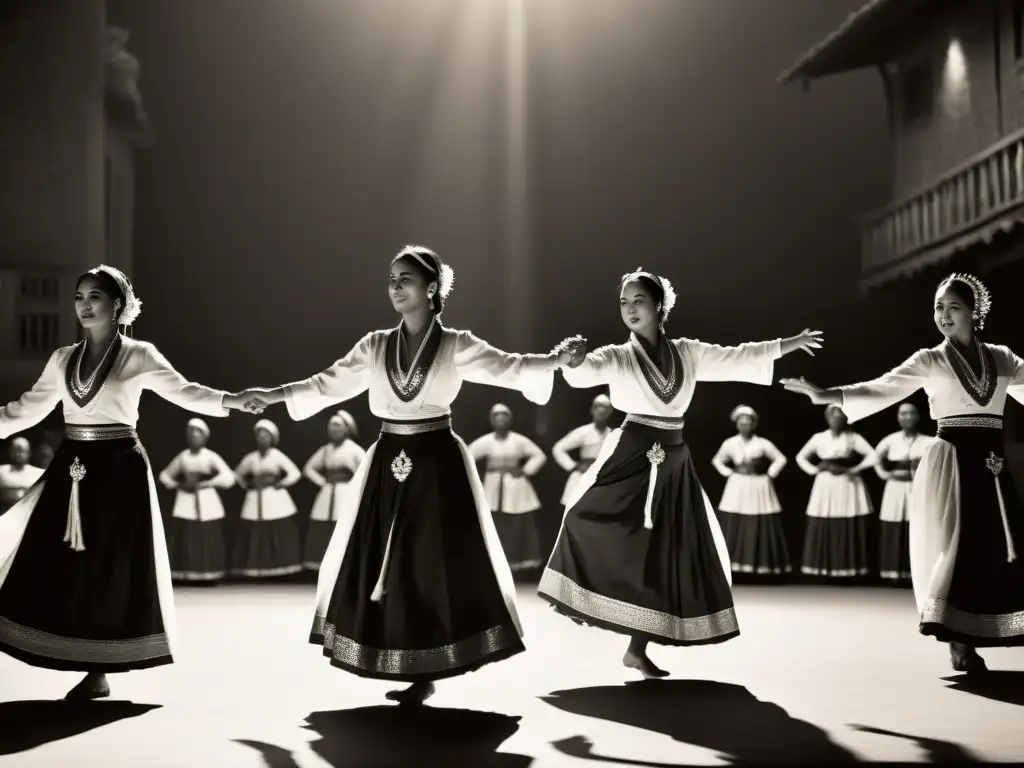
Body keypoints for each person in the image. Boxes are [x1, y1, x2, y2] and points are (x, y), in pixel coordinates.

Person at [230, 245, 585, 705]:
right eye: (391, 279)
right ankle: (399, 655)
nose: (395, 287)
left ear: (431, 288)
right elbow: (326, 383)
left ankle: (433, 661)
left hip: (437, 461)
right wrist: (274, 395)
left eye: (405, 279)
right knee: (385, 560)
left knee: (432, 560)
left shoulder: (457, 344)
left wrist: (556, 360)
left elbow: (510, 367)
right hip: (388, 457)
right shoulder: (375, 345)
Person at [538, 268, 822, 678]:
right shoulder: (619, 355)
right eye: (623, 302)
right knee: (590, 520)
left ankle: (637, 649)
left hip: (673, 458)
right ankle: (575, 589)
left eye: (638, 300)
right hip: (631, 454)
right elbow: (587, 372)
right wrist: (576, 360)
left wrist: (787, 344)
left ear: (659, 306)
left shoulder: (687, 352)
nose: (630, 309)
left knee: (668, 552)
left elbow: (737, 356)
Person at [0, 265, 249, 700]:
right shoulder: (62, 359)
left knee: (108, 567)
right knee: (51, 559)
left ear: (118, 306)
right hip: (72, 466)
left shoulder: (139, 355)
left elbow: (185, 391)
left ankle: (99, 670)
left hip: (118, 469)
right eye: (79, 296)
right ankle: (62, 647)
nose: (84, 305)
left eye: (94, 296)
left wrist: (229, 401)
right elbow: (26, 409)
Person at [782, 272, 1024, 673]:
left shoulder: (1002, 358)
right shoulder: (930, 359)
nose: (943, 316)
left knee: (997, 544)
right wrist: (827, 395)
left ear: (975, 312)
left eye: (954, 308)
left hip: (991, 463)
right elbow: (884, 387)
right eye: (938, 307)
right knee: (956, 546)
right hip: (951, 460)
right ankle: (959, 641)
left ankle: (987, 627)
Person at [794, 405, 876, 580]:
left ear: (846, 419)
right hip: (825, 482)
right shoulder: (819, 438)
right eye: (833, 416)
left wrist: (855, 468)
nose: (836, 419)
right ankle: (822, 569)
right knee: (824, 515)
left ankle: (849, 569)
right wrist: (814, 470)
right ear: (827, 418)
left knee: (848, 516)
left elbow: (873, 456)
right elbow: (801, 457)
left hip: (847, 482)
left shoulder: (854, 438)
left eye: (840, 416)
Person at [710, 405, 791, 576]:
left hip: (759, 484)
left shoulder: (763, 443)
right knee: (733, 518)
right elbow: (717, 460)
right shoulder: (730, 443)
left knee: (760, 518)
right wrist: (729, 472)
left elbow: (780, 459)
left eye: (748, 423)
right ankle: (732, 567)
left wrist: (770, 473)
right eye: (741, 423)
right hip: (737, 485)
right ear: (737, 425)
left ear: (754, 424)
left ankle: (760, 566)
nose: (744, 426)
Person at [468, 403, 548, 572]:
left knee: (517, 522)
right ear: (492, 420)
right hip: (493, 485)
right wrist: (475, 477)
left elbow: (539, 455)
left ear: (509, 419)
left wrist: (525, 470)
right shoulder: (486, 441)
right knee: (495, 521)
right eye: (497, 416)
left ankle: (519, 564)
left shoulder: (518, 440)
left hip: (516, 485)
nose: (500, 420)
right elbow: (468, 455)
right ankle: (493, 562)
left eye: (504, 416)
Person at [158, 418, 236, 583]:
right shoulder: (183, 457)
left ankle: (209, 574)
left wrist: (208, 483)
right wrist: (178, 485)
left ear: (204, 437)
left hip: (206, 499)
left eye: (198, 434)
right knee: (187, 535)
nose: (194, 437)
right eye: (191, 434)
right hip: (186, 498)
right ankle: (187, 574)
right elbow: (164, 475)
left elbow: (229, 477)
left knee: (207, 536)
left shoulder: (211, 456)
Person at [231, 419, 304, 578]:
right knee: (255, 530)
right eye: (260, 436)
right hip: (255, 497)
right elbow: (237, 474)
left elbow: (295, 473)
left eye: (266, 436)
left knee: (277, 529)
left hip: (274, 498)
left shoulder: (277, 456)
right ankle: (257, 570)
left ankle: (281, 570)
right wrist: (246, 484)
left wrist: (281, 483)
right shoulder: (251, 458)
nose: (262, 439)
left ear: (272, 439)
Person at [301, 410, 365, 570]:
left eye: (337, 425)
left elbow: (366, 472)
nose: (334, 429)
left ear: (347, 428)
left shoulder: (355, 450)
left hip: (346, 494)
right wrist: (322, 481)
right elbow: (308, 468)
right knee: (323, 527)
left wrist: (352, 487)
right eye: (331, 426)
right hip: (327, 493)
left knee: (344, 528)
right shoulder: (325, 450)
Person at [873, 403, 929, 583]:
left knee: (917, 526)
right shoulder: (890, 440)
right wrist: (885, 474)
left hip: (917, 488)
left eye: (912, 413)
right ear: (898, 417)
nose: (907, 417)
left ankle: (916, 573)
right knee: (894, 524)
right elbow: (874, 459)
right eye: (903, 414)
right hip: (895, 488)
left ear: (918, 416)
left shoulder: (928, 441)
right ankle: (893, 574)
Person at [551, 393, 614, 511]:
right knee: (578, 510)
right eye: (597, 409)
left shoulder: (612, 434)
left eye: (605, 410)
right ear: (592, 410)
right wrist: (573, 465)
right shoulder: (583, 431)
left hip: (604, 476)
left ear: (610, 412)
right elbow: (558, 448)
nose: (601, 413)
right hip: (583, 475)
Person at [0, 437, 44, 514]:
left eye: (22, 450)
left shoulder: (39, 473)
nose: (18, 454)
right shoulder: (1, 472)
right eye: (15, 450)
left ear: (28, 452)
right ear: (10, 452)